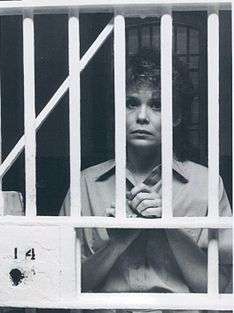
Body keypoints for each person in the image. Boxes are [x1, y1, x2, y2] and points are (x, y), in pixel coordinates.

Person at [60, 48, 232, 296]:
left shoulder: (206, 184)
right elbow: (63, 285)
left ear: (177, 116)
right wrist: (117, 243)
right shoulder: (86, 183)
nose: (142, 116)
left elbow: (219, 287)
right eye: (131, 103)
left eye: (157, 105)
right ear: (118, 112)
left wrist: (168, 226)